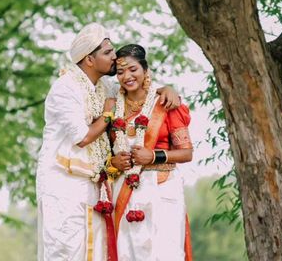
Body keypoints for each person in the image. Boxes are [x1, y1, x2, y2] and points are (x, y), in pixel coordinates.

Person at [36, 23, 180, 261]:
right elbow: (82, 137)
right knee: (66, 251)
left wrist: (167, 88)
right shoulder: (65, 88)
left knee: (96, 253)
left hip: (94, 187)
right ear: (89, 60)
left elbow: (137, 86)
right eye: (107, 52)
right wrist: (107, 115)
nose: (115, 57)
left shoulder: (104, 87)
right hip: (63, 186)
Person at [110, 44, 193, 261]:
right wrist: (113, 162)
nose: (127, 76)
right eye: (120, 72)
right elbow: (105, 153)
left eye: (133, 70)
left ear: (145, 71)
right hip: (125, 189)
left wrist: (153, 155)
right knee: (128, 252)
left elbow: (186, 153)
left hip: (162, 188)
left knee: (165, 252)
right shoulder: (112, 106)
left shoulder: (166, 102)